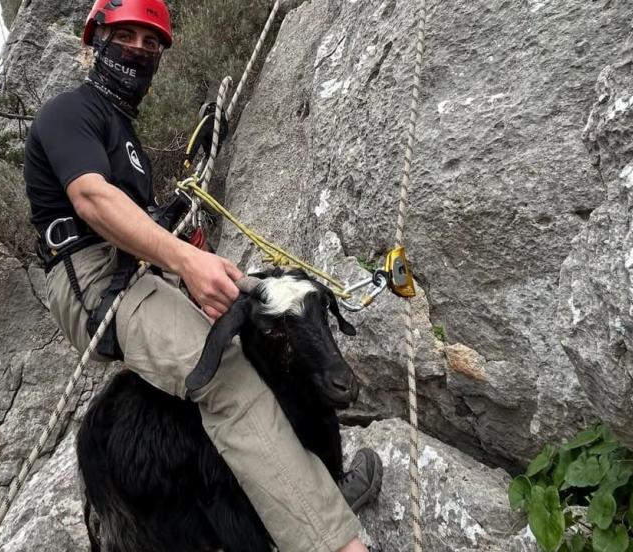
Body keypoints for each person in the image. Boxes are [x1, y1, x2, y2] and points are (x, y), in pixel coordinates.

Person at [23, 1, 382, 550]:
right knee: (227, 380)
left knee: (262, 333)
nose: (139, 51)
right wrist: (186, 261)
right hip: (95, 283)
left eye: (151, 43)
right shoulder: (70, 112)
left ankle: (307, 489)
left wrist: (182, 244)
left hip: (134, 275)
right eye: (127, 36)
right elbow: (91, 199)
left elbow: (133, 223)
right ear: (96, 39)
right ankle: (330, 539)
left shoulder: (122, 134)